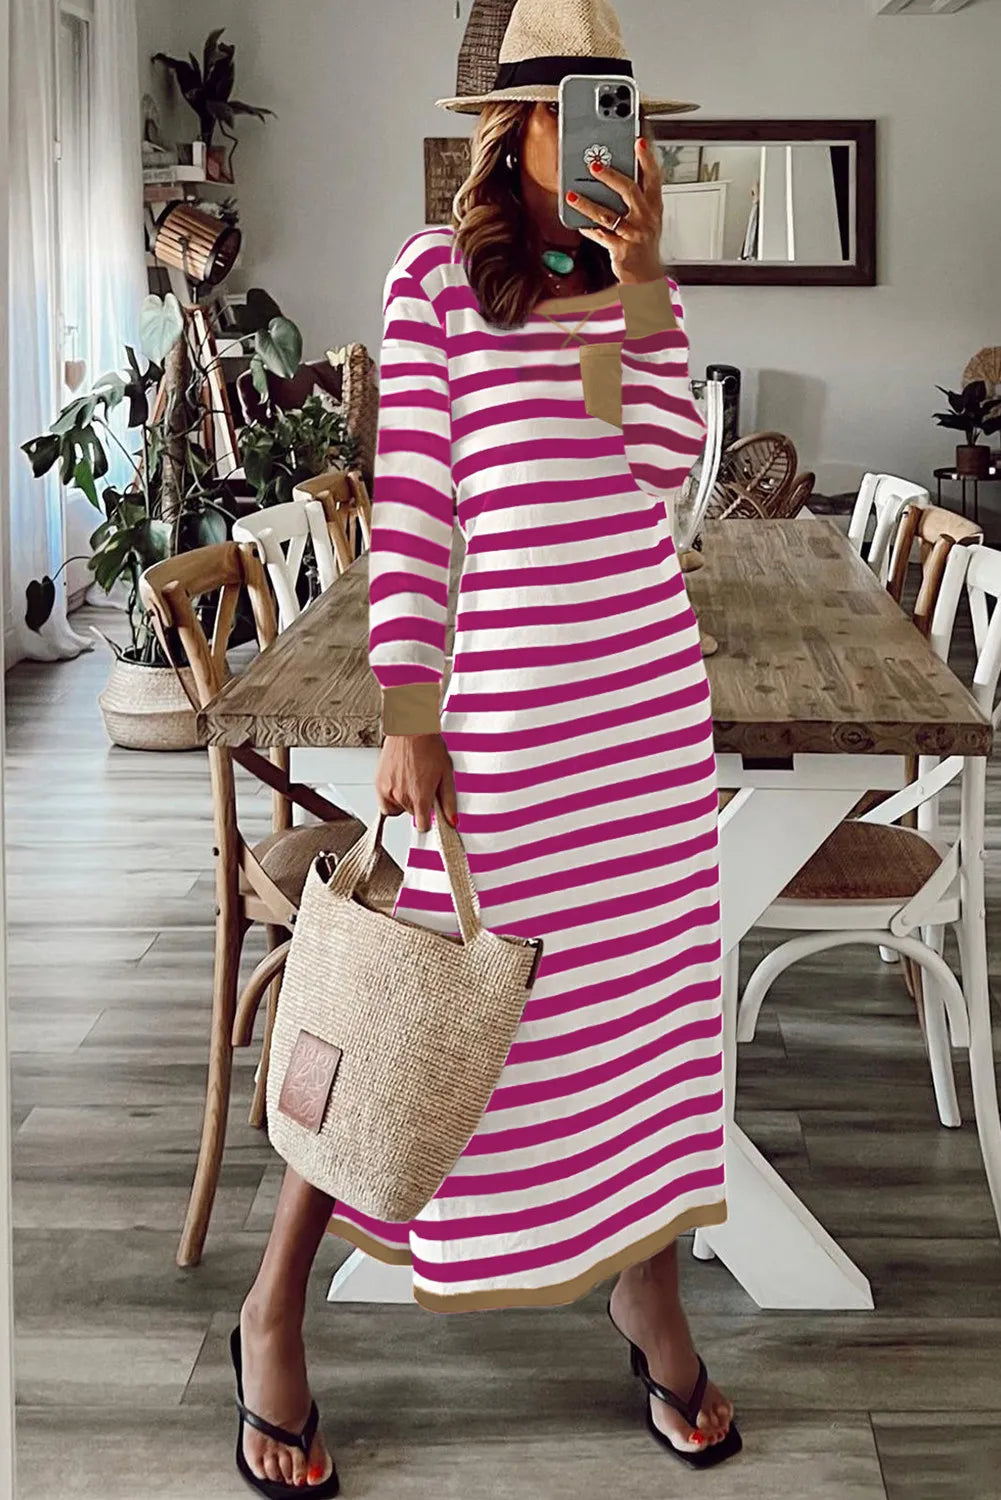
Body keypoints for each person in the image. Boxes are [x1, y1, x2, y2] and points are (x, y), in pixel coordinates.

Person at [231, 3, 738, 1493]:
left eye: (617, 115)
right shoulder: (436, 282)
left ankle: (648, 1301)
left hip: (644, 713)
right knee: (410, 1012)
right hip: (509, 717)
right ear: (509, 131)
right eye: (571, 115)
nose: (601, 146)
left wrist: (642, 280)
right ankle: (273, 1312)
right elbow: (419, 512)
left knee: (641, 1021)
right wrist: (408, 712)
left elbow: (652, 469)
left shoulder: (619, 280)